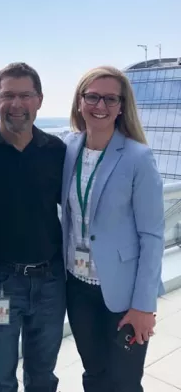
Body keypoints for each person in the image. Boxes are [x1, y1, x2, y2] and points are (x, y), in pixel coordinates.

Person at [62, 66, 165, 392]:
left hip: (124, 293)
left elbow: (152, 236)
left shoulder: (138, 157)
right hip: (78, 288)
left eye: (110, 98)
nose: (100, 106)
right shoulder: (68, 149)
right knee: (94, 374)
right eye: (92, 96)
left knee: (124, 381)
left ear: (122, 106)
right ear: (80, 102)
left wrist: (144, 306)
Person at [0, 62, 67, 392]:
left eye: (25, 95)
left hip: (51, 281)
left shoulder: (56, 151)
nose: (17, 104)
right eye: (8, 95)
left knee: (43, 375)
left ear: (39, 100)